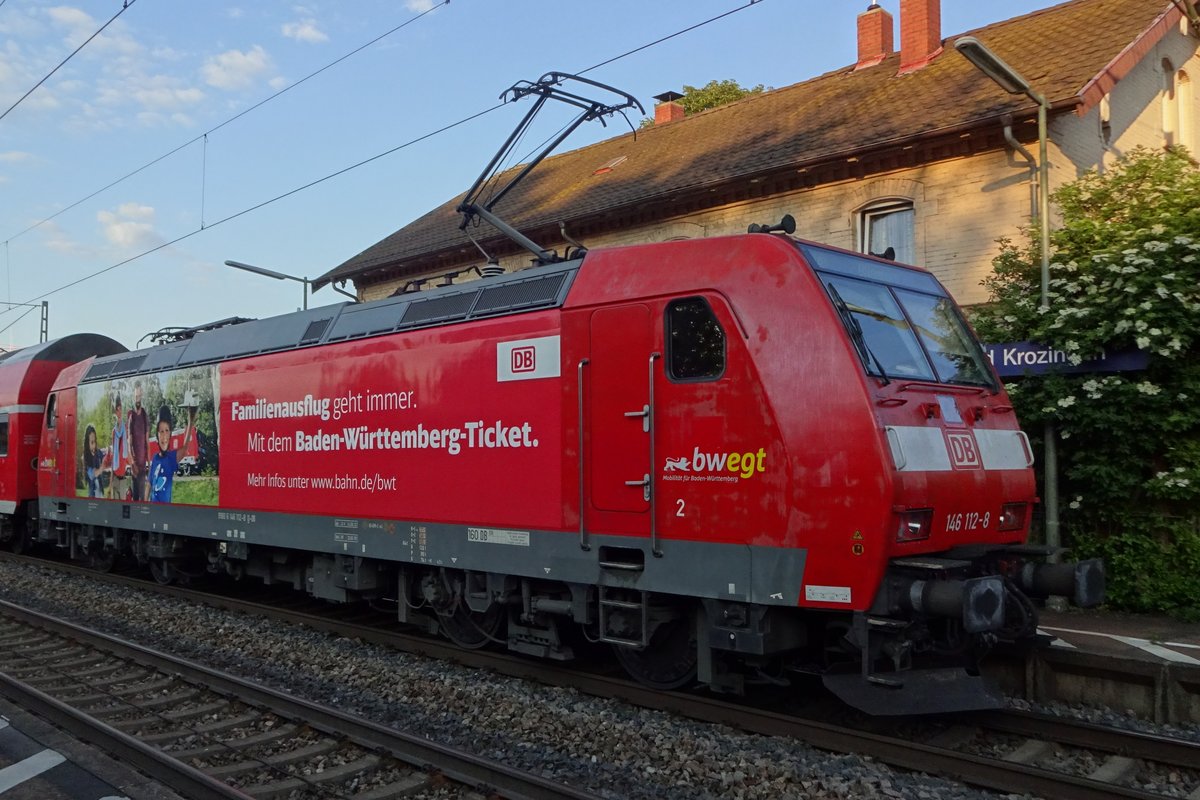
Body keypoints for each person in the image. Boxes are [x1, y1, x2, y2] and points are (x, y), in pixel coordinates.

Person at [147, 404, 195, 503]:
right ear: (157, 435)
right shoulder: (155, 458)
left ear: (170, 435)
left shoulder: (171, 458)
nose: (164, 435)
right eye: (161, 431)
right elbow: (149, 483)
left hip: (165, 510)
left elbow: (185, 448)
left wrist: (190, 421)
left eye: (167, 431)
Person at [128, 381, 149, 502]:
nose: (138, 399)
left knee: (142, 497)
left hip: (143, 465)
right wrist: (132, 464)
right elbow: (129, 443)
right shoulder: (132, 417)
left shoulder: (145, 416)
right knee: (136, 497)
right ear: (134, 397)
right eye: (136, 396)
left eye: (139, 396)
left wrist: (149, 464)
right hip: (135, 466)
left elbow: (147, 441)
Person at [109, 395, 130, 500]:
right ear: (115, 412)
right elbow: (113, 457)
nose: (119, 412)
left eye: (120, 409)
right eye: (117, 410)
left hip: (123, 478)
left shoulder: (125, 430)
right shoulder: (113, 432)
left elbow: (128, 454)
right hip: (115, 478)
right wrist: (110, 483)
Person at [82, 424, 107, 498]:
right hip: (93, 496)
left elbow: (106, 458)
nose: (94, 445)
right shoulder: (86, 457)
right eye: (92, 442)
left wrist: (109, 453)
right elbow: (93, 474)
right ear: (87, 443)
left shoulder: (98, 452)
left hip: (101, 494)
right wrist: (102, 468)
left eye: (95, 441)